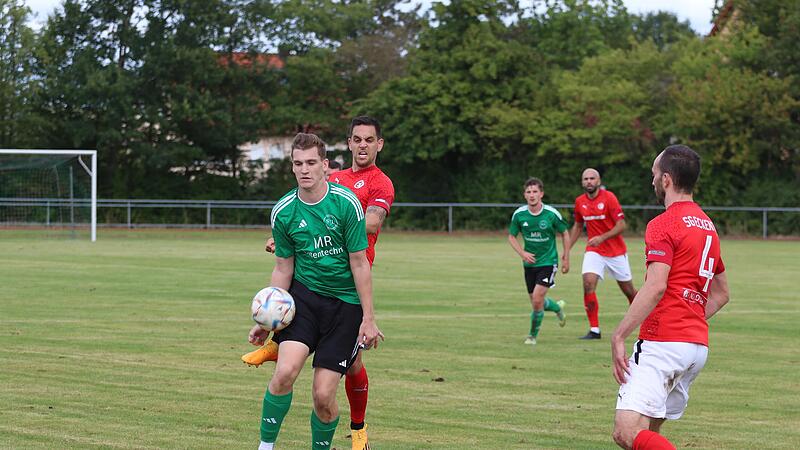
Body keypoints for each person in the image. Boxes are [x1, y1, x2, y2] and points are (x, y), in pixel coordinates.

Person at [245, 116, 395, 450]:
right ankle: (265, 446)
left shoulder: (348, 203)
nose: (304, 169)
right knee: (284, 373)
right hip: (306, 301)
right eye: (298, 163)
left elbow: (359, 262)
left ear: (324, 165)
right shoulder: (283, 211)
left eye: (311, 162)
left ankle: (352, 432)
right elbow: (283, 268)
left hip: (345, 306)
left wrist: (369, 318)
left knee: (323, 394)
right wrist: (267, 320)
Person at [610, 145, 729, 450]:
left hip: (663, 343)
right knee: (648, 431)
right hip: (695, 347)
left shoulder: (663, 223)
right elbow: (721, 293)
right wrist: (688, 321)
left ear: (666, 180)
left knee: (625, 431)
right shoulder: (708, 226)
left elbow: (656, 285)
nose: (651, 180)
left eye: (653, 174)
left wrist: (619, 335)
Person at [569, 168, 637, 340]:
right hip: (595, 251)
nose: (589, 181)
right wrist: (567, 249)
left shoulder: (609, 198)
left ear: (598, 181)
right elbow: (577, 226)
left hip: (616, 252)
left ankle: (646, 320)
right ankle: (594, 330)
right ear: (582, 182)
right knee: (588, 283)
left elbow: (622, 225)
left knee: (629, 291)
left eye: (592, 178)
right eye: (586, 179)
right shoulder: (579, 202)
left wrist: (603, 237)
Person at [507, 177, 570, 346]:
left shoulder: (551, 214)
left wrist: (566, 256)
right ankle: (557, 307)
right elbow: (511, 236)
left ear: (541, 194)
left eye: (535, 191)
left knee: (536, 300)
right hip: (529, 264)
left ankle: (532, 336)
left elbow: (565, 233)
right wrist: (522, 253)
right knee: (537, 302)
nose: (532, 195)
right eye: (528, 192)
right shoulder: (520, 215)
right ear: (524, 195)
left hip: (548, 262)